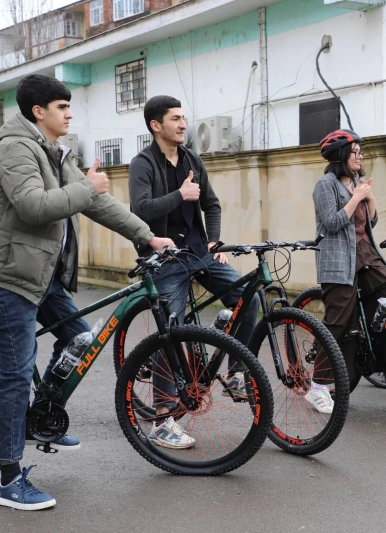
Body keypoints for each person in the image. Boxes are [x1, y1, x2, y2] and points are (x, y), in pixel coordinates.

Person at [0, 74, 174, 510]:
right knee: (16, 372)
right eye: (62, 107)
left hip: (39, 275)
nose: (70, 114)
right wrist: (86, 188)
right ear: (38, 111)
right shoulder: (16, 149)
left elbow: (95, 202)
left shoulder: (54, 151)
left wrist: (147, 236)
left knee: (80, 337)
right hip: (7, 276)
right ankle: (8, 479)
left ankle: (41, 417)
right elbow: (34, 206)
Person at [128, 95, 260, 430]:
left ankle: (235, 373)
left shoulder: (192, 159)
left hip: (199, 251)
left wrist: (214, 241)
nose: (183, 124)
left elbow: (211, 205)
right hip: (163, 258)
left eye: (183, 117)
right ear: (156, 125)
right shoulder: (143, 163)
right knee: (170, 331)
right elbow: (140, 209)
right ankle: (162, 420)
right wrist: (180, 195)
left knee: (250, 297)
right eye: (175, 118)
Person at [310, 129, 386, 413]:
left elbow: (369, 223)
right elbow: (331, 222)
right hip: (339, 258)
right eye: (355, 152)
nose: (360, 157)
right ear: (341, 154)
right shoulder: (325, 185)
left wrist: (369, 197)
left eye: (361, 152)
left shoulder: (356, 182)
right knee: (340, 321)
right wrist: (355, 198)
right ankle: (317, 387)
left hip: (365, 252)